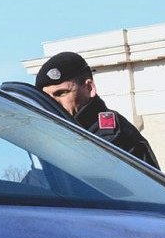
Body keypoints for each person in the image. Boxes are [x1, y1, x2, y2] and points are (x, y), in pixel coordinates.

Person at [29, 51, 157, 167]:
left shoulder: (110, 134)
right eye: (46, 97)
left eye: (62, 93)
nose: (53, 103)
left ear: (89, 88)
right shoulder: (52, 135)